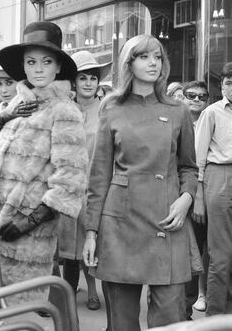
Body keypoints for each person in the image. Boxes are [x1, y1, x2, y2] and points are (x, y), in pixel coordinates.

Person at [83, 34, 199, 329]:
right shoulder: (111, 109)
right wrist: (91, 233)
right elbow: (99, 176)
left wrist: (187, 198)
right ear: (128, 63)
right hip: (121, 224)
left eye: (158, 57)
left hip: (168, 219)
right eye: (144, 56)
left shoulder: (178, 110)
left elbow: (188, 167)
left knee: (170, 318)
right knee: (122, 322)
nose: (153, 63)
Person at [0, 21, 88, 303]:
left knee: (22, 308)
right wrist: (7, 116)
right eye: (31, 62)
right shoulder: (18, 104)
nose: (39, 68)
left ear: (58, 67)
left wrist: (28, 221)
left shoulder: (64, 110)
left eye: (46, 61)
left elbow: (71, 177)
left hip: (29, 232)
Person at [58, 50, 112, 311]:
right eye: (83, 78)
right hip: (68, 187)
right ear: (74, 82)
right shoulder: (64, 109)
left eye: (93, 78)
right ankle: (66, 294)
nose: (88, 83)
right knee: (68, 247)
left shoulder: (106, 110)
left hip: (95, 186)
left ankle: (93, 290)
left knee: (93, 241)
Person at [194, 62, 232, 316]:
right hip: (220, 176)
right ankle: (215, 316)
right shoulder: (212, 113)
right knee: (220, 252)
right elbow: (198, 157)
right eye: (229, 81)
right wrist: (198, 194)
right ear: (222, 86)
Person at [182, 80, 210, 319]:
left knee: (198, 251)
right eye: (191, 95)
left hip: (205, 195)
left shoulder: (211, 119)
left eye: (202, 96)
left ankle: (191, 303)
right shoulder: (176, 121)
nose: (197, 100)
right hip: (179, 195)